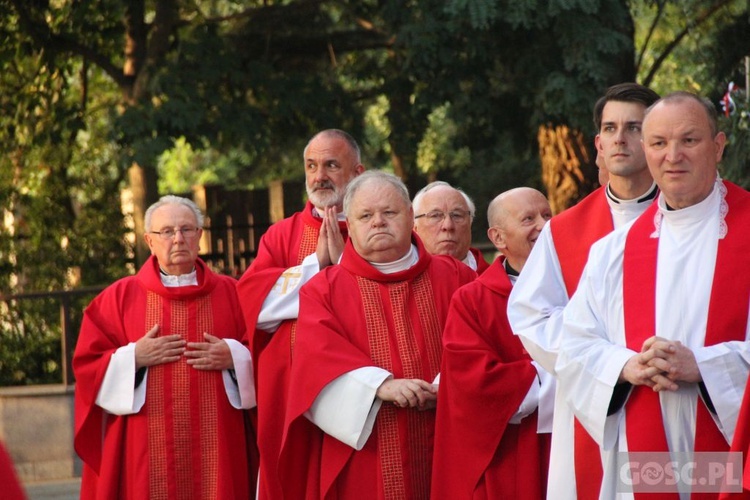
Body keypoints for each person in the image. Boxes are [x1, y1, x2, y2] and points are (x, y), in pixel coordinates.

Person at [556, 91, 750, 498]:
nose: (672, 155)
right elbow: (574, 345)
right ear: (646, 150)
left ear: (718, 147)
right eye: (659, 143)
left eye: (689, 140)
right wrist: (627, 367)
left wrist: (704, 365)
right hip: (645, 455)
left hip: (734, 450)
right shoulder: (615, 250)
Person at [279, 171, 477, 499]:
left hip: (453, 436)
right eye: (366, 216)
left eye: (389, 212)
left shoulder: (458, 277)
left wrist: (448, 384)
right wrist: (380, 386)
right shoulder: (324, 291)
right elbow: (314, 366)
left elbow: (483, 345)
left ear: (411, 217)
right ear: (350, 227)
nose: (378, 223)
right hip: (368, 454)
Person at [507, 82, 660, 499]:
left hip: (671, 392)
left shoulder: (689, 218)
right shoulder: (564, 230)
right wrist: (609, 362)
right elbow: (532, 316)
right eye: (610, 129)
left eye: (634, 127)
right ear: (598, 143)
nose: (620, 139)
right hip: (595, 404)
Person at [73, 195, 256, 499]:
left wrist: (235, 357)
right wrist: (133, 358)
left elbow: (270, 355)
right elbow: (87, 366)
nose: (178, 239)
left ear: (200, 235)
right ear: (149, 240)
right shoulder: (118, 299)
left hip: (220, 443)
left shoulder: (234, 293)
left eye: (187, 229)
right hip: (146, 445)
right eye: (167, 232)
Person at [236, 129, 365, 499]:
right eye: (311, 166)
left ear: (357, 172)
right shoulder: (281, 235)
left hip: (357, 384)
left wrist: (342, 263)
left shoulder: (375, 225)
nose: (319, 175)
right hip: (291, 390)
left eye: (331, 165)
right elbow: (254, 306)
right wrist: (316, 264)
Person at [432, 187, 554, 499]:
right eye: (528, 219)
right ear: (498, 238)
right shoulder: (473, 301)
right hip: (512, 454)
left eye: (547, 215)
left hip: (577, 443)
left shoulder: (582, 282)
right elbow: (477, 384)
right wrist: (563, 372)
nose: (543, 226)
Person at [412, 181, 490, 274]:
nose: (448, 226)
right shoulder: (400, 283)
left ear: (470, 223)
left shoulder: (498, 283)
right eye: (435, 216)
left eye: (457, 215)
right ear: (414, 227)